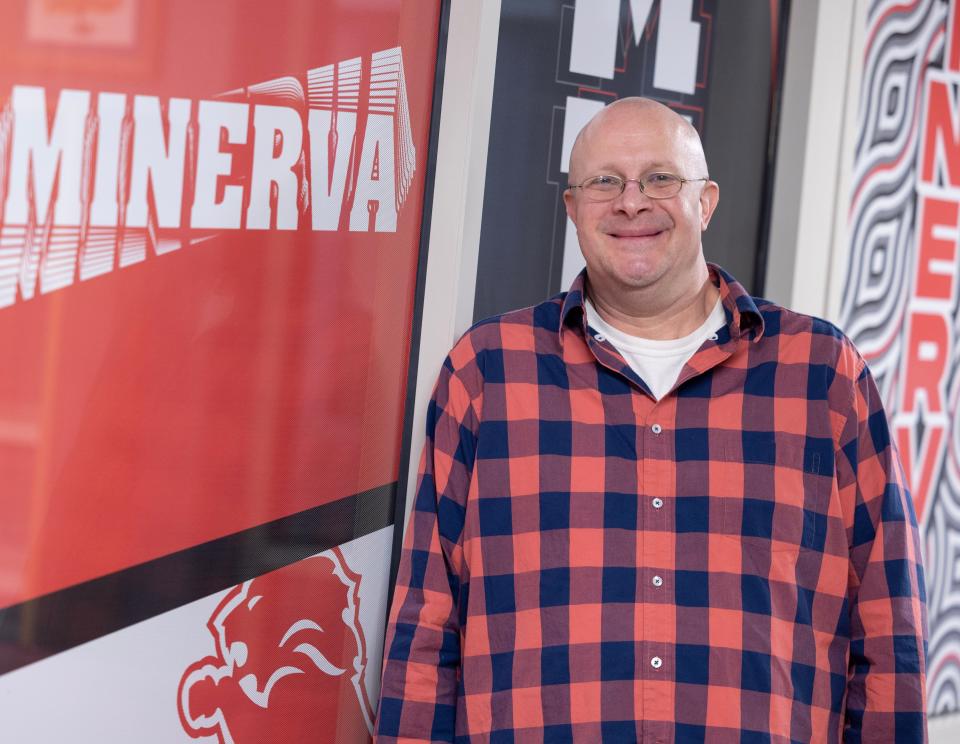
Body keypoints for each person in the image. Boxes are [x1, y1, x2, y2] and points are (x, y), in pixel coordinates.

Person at [375, 97, 928, 742]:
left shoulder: (823, 374)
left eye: (661, 179)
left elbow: (889, 626)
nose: (631, 202)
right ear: (573, 208)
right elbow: (425, 626)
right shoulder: (488, 373)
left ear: (707, 200)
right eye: (604, 181)